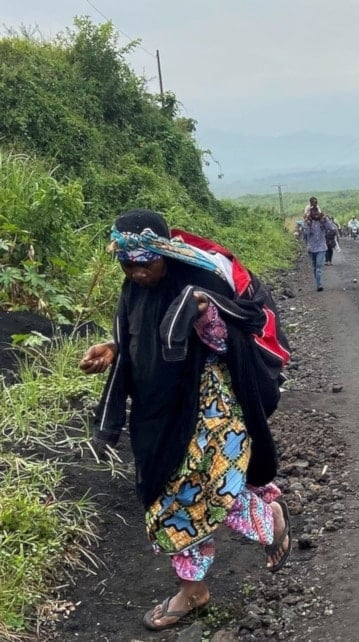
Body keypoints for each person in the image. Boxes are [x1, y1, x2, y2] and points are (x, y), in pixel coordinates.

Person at [79, 210, 292, 631]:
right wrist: (113, 349)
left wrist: (205, 316)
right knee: (167, 503)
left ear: (164, 254)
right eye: (128, 265)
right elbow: (137, 337)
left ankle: (271, 522)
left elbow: (231, 340)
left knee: (212, 492)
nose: (138, 274)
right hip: (157, 413)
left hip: (209, 411)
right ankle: (194, 589)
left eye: (147, 263)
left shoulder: (201, 283)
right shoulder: (134, 287)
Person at [302, 203, 336, 291]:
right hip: (311, 247)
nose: (315, 214)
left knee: (319, 266)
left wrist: (325, 220)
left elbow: (331, 228)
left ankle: (319, 285)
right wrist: (307, 223)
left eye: (316, 211)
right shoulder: (308, 222)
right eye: (313, 212)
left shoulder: (323, 221)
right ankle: (318, 282)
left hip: (321, 247)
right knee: (314, 267)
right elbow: (306, 233)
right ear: (310, 213)